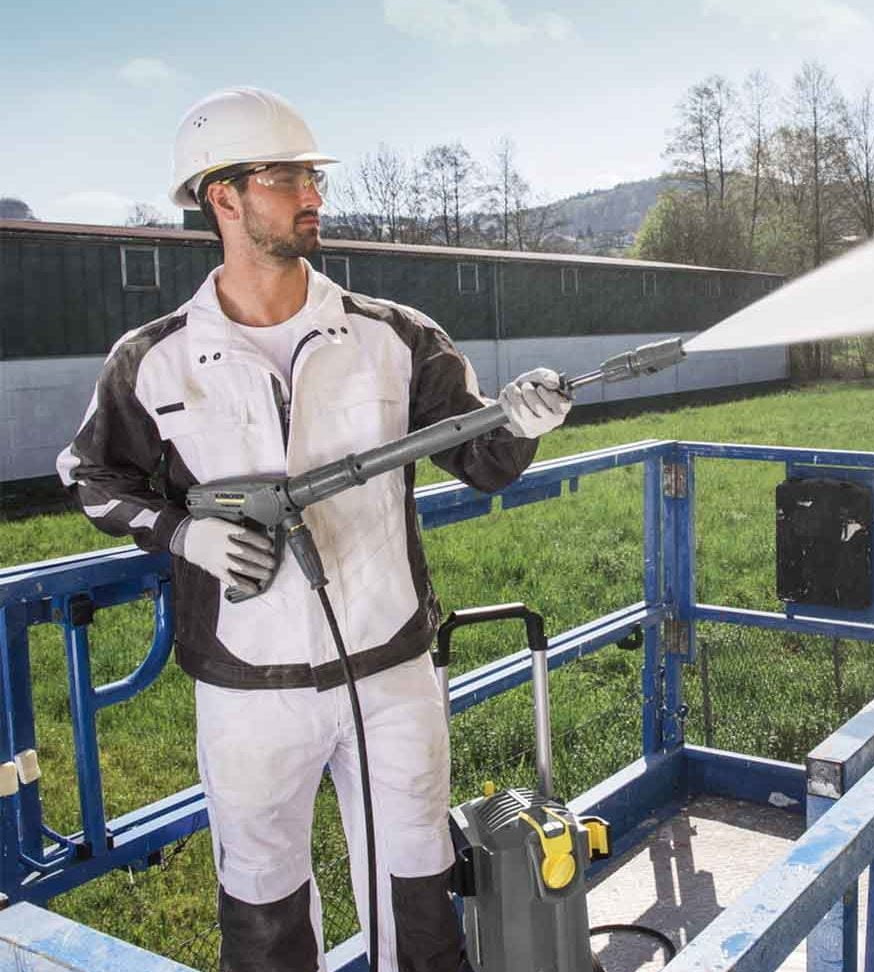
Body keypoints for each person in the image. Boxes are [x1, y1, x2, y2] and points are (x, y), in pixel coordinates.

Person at [57, 87, 570, 972]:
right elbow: (90, 477)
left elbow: (484, 460)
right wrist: (184, 535)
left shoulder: (394, 336)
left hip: (392, 673)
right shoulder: (154, 359)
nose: (313, 194)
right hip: (246, 694)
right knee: (262, 907)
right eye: (288, 177)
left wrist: (522, 423)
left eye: (313, 177)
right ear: (223, 196)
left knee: (418, 895)